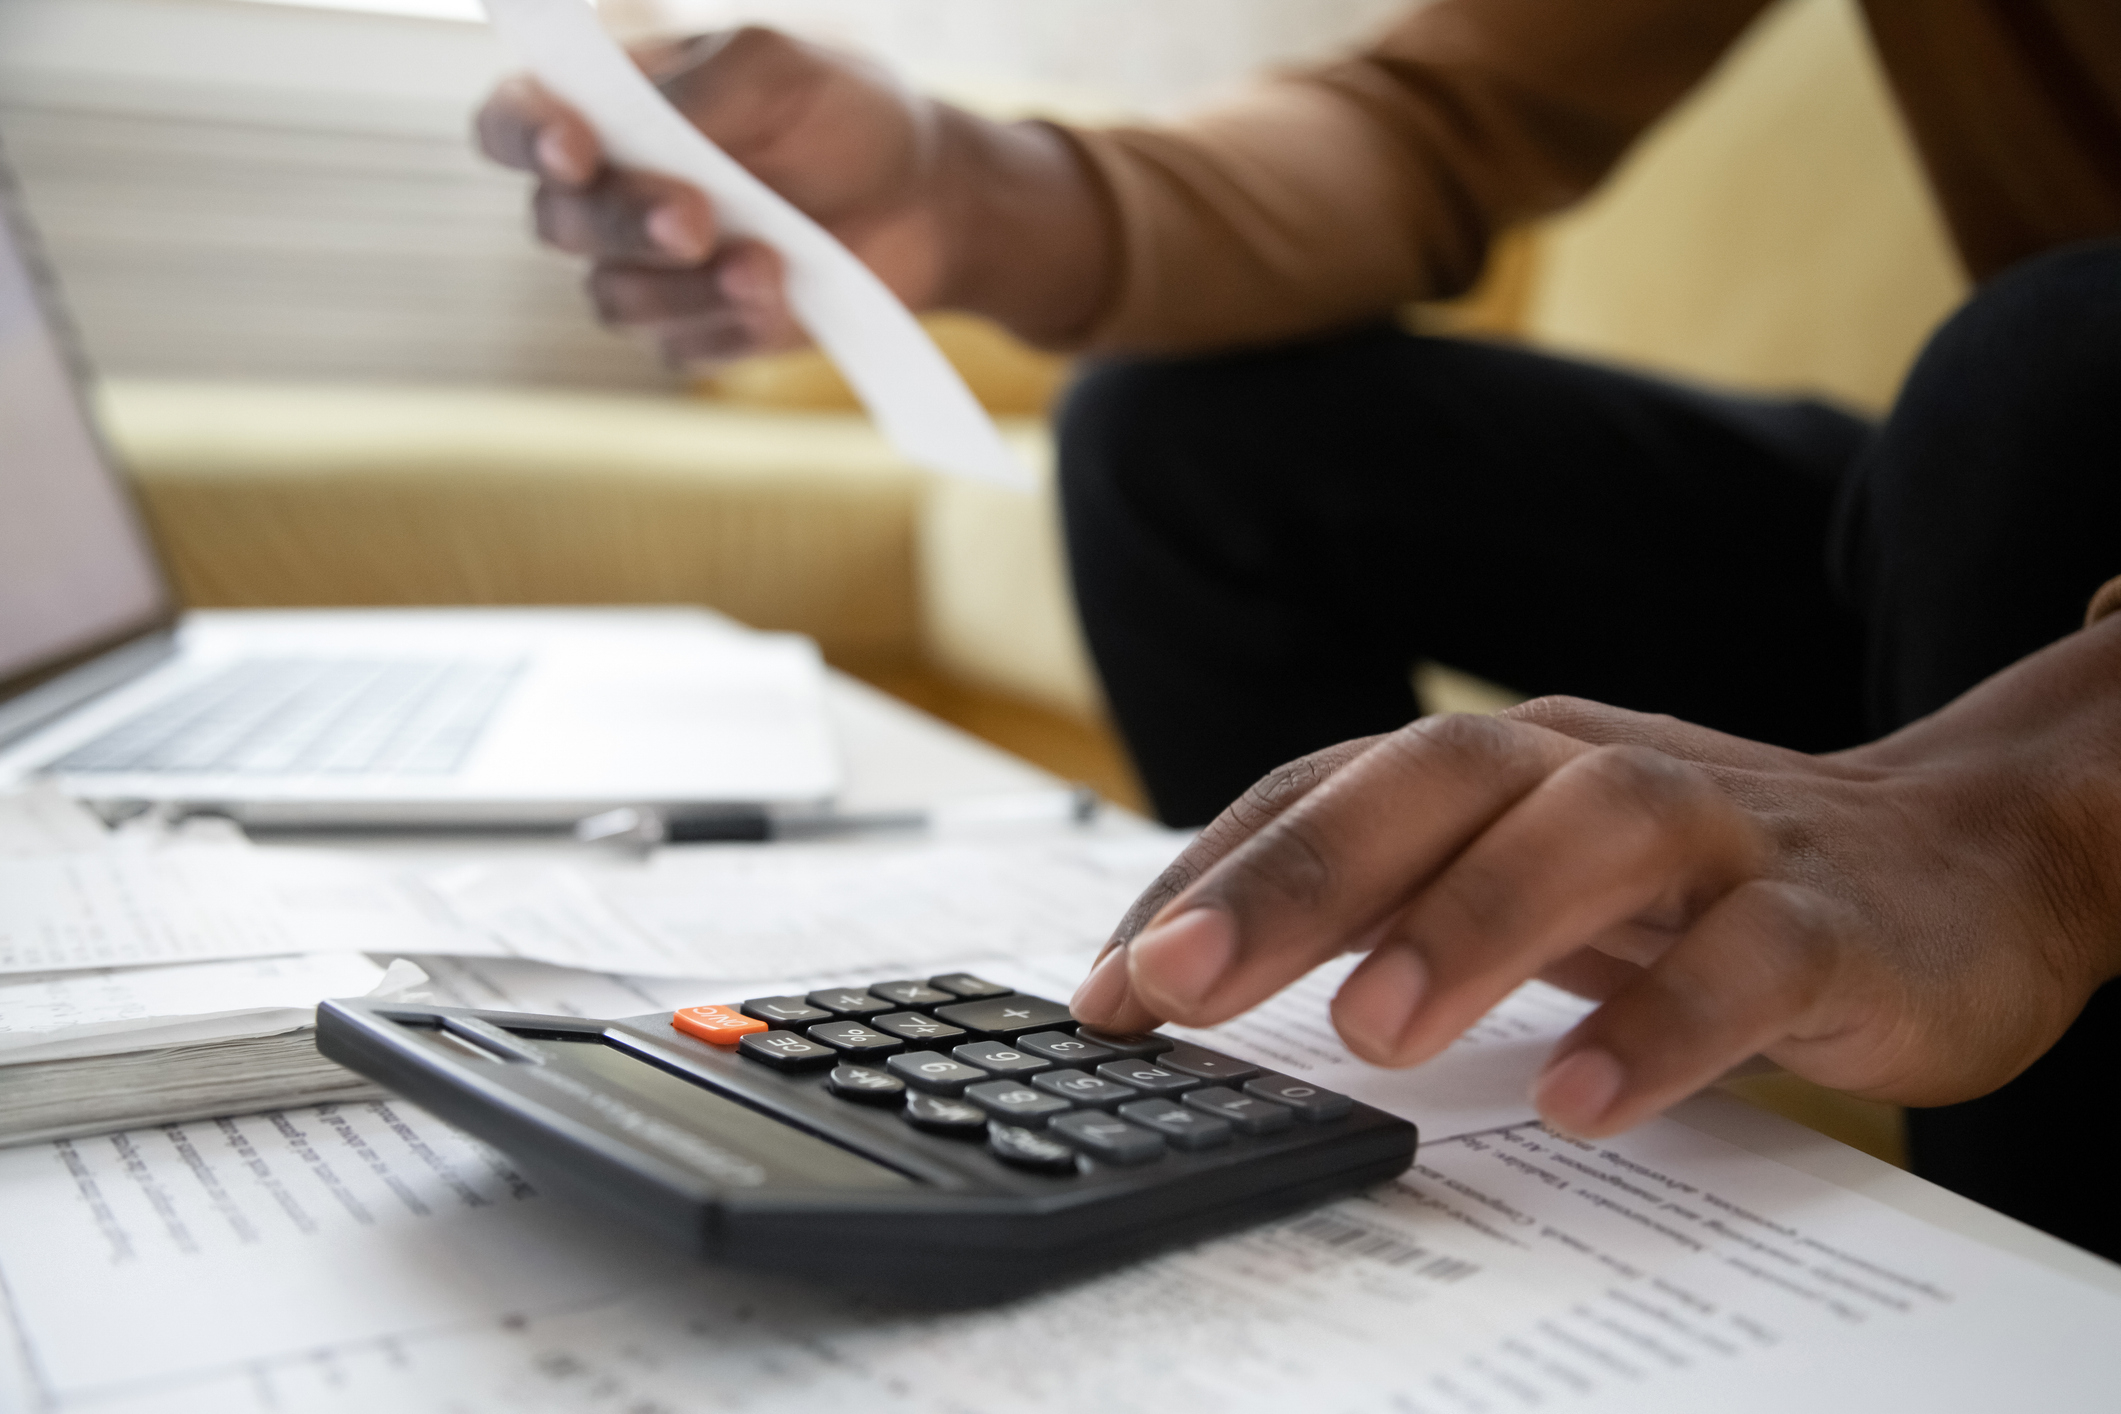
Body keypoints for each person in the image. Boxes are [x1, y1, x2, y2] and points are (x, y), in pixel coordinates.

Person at [475, 0, 2121, 1259]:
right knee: (1178, 431)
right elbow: (1434, 118)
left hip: (2058, 521)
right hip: (1939, 524)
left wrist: (2057, 811)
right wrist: (957, 190)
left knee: (2046, 380)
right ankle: (1322, 1098)